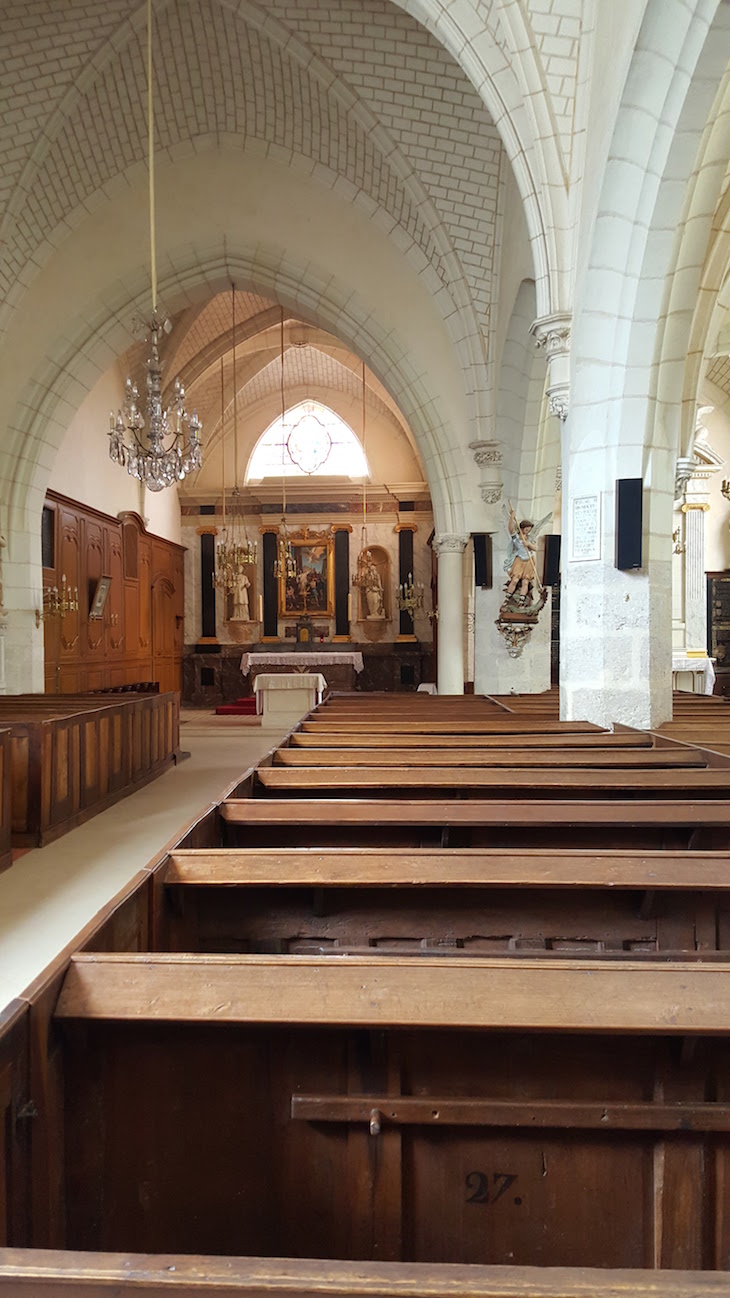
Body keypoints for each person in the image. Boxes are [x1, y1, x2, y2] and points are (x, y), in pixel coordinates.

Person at [504, 510, 538, 603]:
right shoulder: (516, 537)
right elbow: (510, 529)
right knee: (515, 579)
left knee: (525, 581)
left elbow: (535, 548)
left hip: (529, 560)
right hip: (519, 560)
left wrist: (529, 544)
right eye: (526, 530)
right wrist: (512, 517)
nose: (527, 532)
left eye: (529, 530)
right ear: (522, 528)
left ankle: (522, 601)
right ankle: (507, 598)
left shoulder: (530, 538)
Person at [363, 551, 385, 619]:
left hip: (376, 590)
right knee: (371, 602)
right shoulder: (367, 575)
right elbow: (365, 582)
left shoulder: (377, 575)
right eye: (372, 569)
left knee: (376, 601)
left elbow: (379, 583)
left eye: (374, 569)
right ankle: (372, 613)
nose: (373, 570)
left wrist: (380, 588)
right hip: (369, 590)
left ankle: (376, 613)